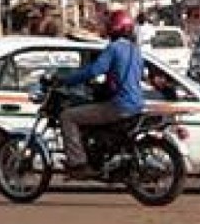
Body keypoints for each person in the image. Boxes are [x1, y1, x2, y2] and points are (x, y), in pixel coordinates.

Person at [59, 10, 145, 178]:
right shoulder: (136, 50)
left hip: (120, 105)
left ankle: (78, 163)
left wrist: (68, 79)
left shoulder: (114, 48)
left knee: (67, 116)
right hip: (136, 104)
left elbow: (95, 70)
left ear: (115, 28)